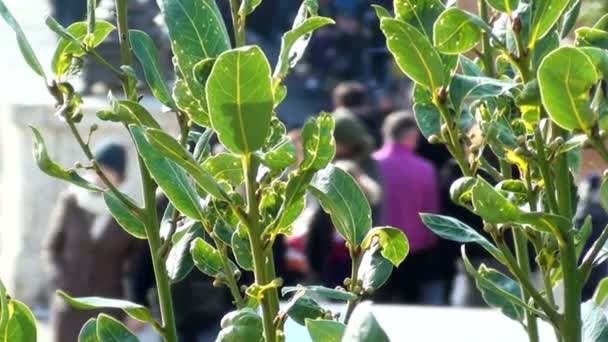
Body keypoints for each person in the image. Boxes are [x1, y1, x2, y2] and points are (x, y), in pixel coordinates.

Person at [43, 142, 143, 342]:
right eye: (98, 170)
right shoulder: (71, 202)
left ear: (119, 178)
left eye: (107, 172)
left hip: (106, 311)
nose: (100, 177)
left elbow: (137, 268)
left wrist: (137, 309)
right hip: (68, 305)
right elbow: (50, 249)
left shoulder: (130, 214)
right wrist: (62, 279)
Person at [372, 111, 441, 304]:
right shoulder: (426, 168)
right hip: (414, 248)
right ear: (412, 135)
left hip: (376, 245)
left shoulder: (372, 164)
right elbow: (431, 211)